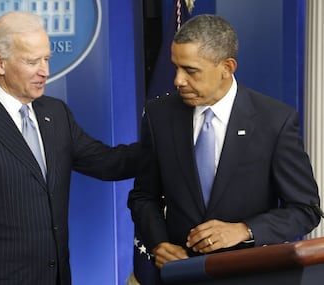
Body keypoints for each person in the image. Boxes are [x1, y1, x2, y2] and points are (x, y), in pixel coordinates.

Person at [0, 11, 140, 285]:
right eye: (32, 62)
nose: (45, 71)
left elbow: (108, 162)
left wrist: (173, 146)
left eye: (47, 59)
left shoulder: (56, 113)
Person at [128, 13, 321, 275]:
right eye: (175, 67)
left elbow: (305, 210)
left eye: (190, 70)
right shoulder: (158, 115)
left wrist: (244, 230)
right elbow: (143, 196)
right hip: (181, 275)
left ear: (227, 68)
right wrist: (159, 243)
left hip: (250, 275)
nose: (178, 81)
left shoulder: (275, 121)